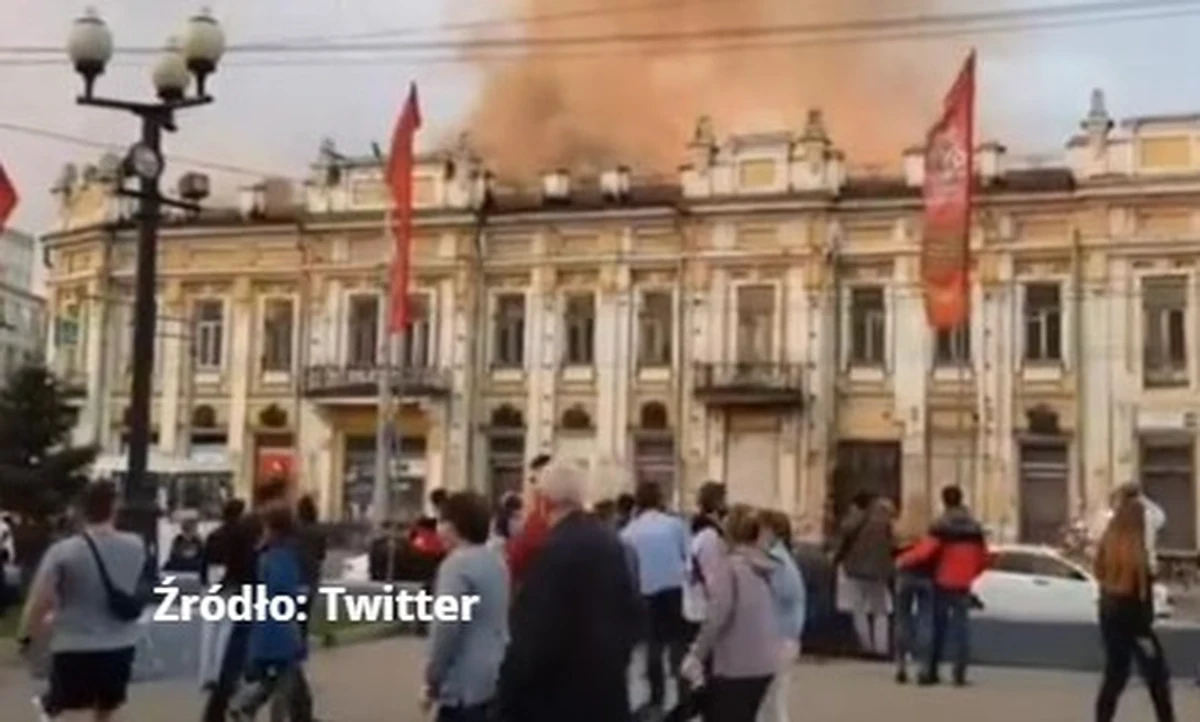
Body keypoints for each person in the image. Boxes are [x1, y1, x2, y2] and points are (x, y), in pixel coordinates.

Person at [497, 461, 641, 722]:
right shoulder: (610, 542)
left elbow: (533, 638)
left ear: (544, 502)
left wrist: (506, 699)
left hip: (561, 698)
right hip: (607, 692)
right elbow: (631, 612)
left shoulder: (555, 551)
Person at [17, 480, 148, 722]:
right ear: (115, 507)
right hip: (120, 645)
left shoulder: (63, 551)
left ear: (81, 511)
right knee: (106, 708)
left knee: (67, 710)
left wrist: (27, 637)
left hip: (74, 645)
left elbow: (41, 601)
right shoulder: (136, 546)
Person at [681, 505, 779, 722]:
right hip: (764, 662)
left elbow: (718, 614)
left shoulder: (729, 567)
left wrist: (696, 654)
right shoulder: (762, 566)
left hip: (735, 664)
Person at [202, 479, 290, 722]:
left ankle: (219, 711)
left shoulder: (247, 524)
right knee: (258, 658)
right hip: (255, 596)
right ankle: (233, 707)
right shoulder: (260, 525)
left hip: (245, 594)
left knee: (238, 657)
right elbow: (249, 561)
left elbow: (234, 561)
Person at [423, 491, 510, 722]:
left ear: (453, 526)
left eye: (440, 521)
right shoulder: (497, 562)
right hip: (493, 678)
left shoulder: (456, 567)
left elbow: (445, 627)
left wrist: (433, 678)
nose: (438, 529)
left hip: (462, 685)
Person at [1093, 491, 1176, 722]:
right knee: (1157, 674)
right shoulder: (1139, 548)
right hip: (1135, 618)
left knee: (1115, 674)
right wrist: (1142, 497)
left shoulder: (1109, 537)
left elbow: (1098, 570)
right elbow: (1160, 517)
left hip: (1109, 612)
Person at [896, 485, 988, 686]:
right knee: (961, 628)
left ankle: (931, 670)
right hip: (963, 583)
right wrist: (971, 573)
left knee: (938, 626)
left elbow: (926, 551)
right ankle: (959, 673)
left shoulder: (941, 524)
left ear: (944, 501)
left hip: (943, 579)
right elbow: (983, 557)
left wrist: (903, 560)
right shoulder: (975, 526)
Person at [229, 504, 308, 722]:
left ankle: (246, 706)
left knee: (269, 680)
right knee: (285, 683)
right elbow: (284, 591)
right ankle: (250, 708)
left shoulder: (265, 556)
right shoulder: (286, 557)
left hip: (263, 626)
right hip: (281, 626)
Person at [621, 481, 690, 717]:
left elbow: (628, 569)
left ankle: (657, 699)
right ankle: (684, 697)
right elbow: (687, 556)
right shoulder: (674, 525)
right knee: (679, 646)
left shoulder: (629, 532)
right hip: (675, 591)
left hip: (646, 594)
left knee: (653, 648)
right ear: (660, 499)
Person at [758, 510, 806, 722]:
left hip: (778, 636)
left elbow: (774, 595)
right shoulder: (784, 557)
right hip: (786, 636)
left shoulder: (775, 560)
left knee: (772, 705)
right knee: (773, 703)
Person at [833, 492, 894, 657]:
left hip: (854, 569)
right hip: (879, 570)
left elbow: (843, 540)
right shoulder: (884, 520)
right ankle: (882, 648)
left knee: (858, 609)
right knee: (880, 610)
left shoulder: (853, 519)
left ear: (855, 505)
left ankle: (866, 646)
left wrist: (836, 559)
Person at [891, 507, 935, 685]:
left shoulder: (899, 528)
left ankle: (901, 665)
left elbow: (891, 550)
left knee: (902, 619)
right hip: (927, 577)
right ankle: (923, 667)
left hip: (904, 576)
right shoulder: (932, 530)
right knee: (925, 621)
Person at [505, 453, 553, 586]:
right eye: (532, 480)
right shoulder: (536, 507)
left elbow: (534, 540)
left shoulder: (549, 507)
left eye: (535, 479)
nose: (533, 485)